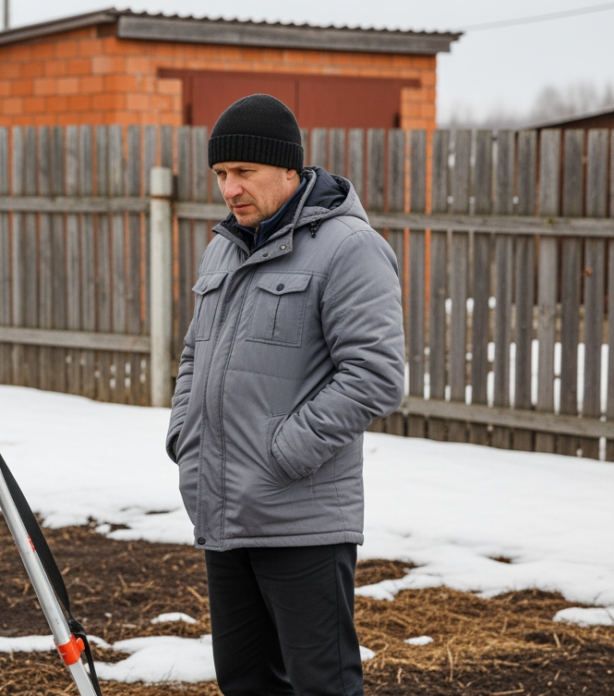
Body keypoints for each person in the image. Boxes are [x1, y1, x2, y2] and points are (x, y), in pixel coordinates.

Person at [164, 94, 405, 696]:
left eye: (244, 172)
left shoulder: (349, 248)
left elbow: (375, 373)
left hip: (302, 519)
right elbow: (195, 353)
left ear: (290, 170)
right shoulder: (225, 246)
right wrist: (184, 435)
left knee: (323, 684)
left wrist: (282, 453)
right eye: (221, 174)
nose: (229, 189)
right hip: (223, 510)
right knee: (245, 681)